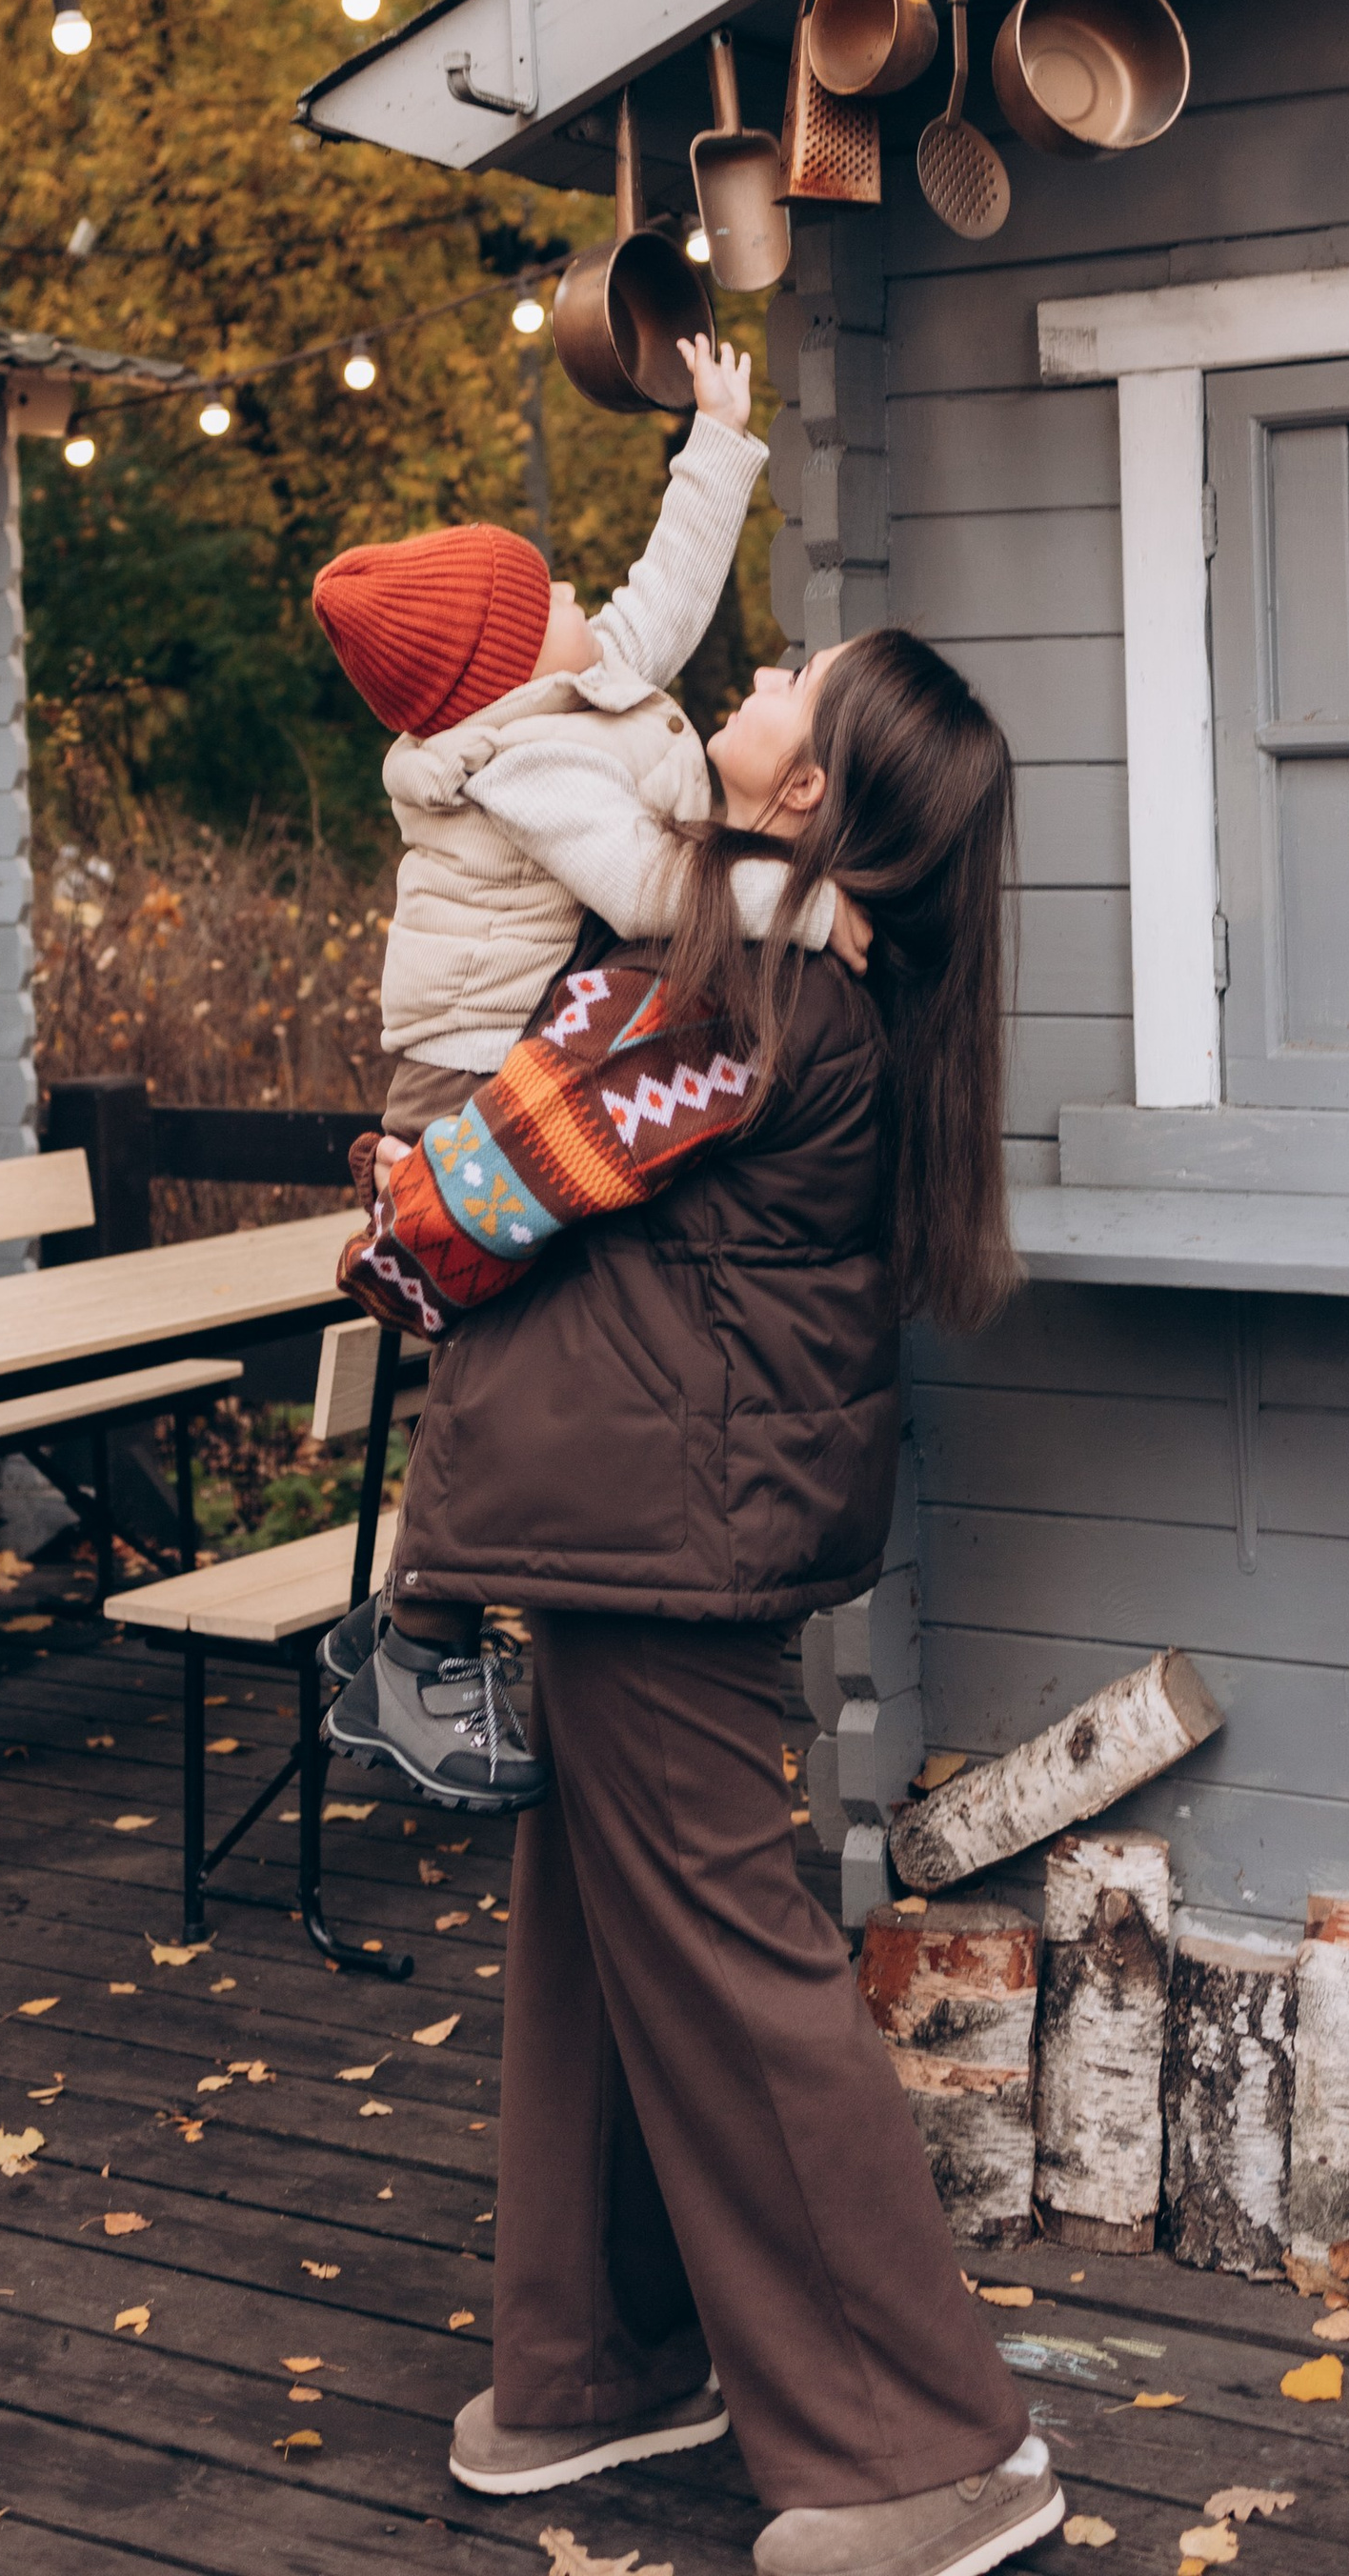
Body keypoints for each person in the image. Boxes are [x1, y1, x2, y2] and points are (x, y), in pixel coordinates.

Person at [331, 628, 1065, 2576]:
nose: (747, 677)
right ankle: (605, 2365)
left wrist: (389, 1220)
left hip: (655, 1523)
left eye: (784, 682)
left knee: (734, 1966)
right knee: (599, 1934)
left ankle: (926, 2449)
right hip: (650, 1506)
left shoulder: (728, 983)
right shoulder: (783, 957)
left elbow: (479, 1196)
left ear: (804, 790)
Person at [309, 330, 857, 1789]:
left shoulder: (565, 691)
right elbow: (647, 895)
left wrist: (721, 446)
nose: (575, 596)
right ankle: (420, 1653)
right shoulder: (527, 761)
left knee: (509, 1356)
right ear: (495, 671)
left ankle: (396, 1652)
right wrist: (796, 905)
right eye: (542, 597)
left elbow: (661, 605)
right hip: (466, 1073)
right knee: (500, 1354)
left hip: (510, 1053)